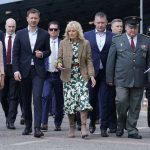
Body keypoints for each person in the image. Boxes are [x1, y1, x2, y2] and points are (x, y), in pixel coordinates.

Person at [106, 16, 150, 139]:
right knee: (121, 102)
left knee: (135, 105)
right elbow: (111, 60)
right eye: (130, 27)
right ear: (125, 27)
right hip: (121, 78)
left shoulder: (146, 40)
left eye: (135, 27)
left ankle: (131, 129)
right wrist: (110, 78)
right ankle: (120, 125)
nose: (133, 30)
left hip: (139, 78)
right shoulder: (117, 39)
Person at [12, 8, 50, 138]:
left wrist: (43, 54)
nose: (33, 20)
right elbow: (15, 54)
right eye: (31, 18)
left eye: (36, 18)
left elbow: (48, 51)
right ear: (27, 18)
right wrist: (16, 70)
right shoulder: (20, 33)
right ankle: (28, 125)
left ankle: (37, 128)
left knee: (38, 99)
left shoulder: (45, 34)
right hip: (23, 72)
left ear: (39, 19)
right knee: (25, 100)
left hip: (38, 72)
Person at [57, 21, 96, 138]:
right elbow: (59, 58)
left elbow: (89, 60)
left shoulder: (85, 43)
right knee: (70, 103)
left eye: (73, 31)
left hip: (81, 76)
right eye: (69, 31)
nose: (71, 33)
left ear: (78, 31)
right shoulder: (63, 43)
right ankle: (72, 127)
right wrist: (58, 64)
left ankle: (84, 126)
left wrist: (92, 75)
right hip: (68, 77)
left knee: (84, 101)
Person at [84, 12, 113, 137]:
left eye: (103, 22)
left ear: (107, 23)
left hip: (106, 73)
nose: (100, 25)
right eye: (98, 22)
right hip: (92, 73)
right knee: (91, 99)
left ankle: (103, 127)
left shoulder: (113, 36)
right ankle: (92, 121)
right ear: (94, 22)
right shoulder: (87, 35)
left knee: (104, 100)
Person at [1, 18, 24, 130]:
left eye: (13, 26)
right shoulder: (1, 38)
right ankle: (7, 115)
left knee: (13, 96)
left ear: (15, 27)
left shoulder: (19, 37)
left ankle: (11, 121)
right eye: (9, 26)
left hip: (15, 69)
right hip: (2, 70)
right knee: (2, 96)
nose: (11, 28)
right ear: (5, 26)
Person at [41, 21, 64, 131]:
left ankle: (58, 123)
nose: (53, 31)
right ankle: (44, 122)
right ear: (48, 31)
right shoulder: (43, 43)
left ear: (59, 31)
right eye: (51, 29)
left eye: (55, 29)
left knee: (59, 100)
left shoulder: (63, 43)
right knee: (45, 96)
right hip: (47, 75)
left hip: (59, 75)